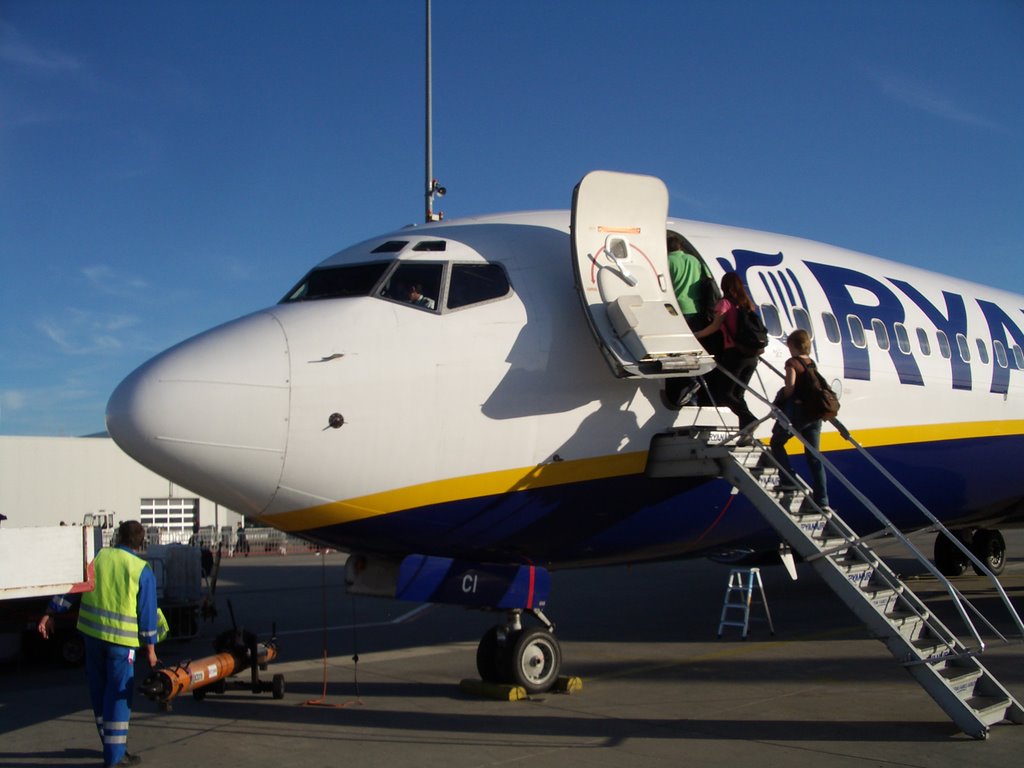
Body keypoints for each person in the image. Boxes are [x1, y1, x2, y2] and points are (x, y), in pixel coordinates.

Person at [38, 520, 163, 768]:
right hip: (121, 644)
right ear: (140, 543)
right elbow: (147, 613)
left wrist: (50, 613)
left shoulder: (97, 558)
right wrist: (151, 649)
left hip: (92, 639)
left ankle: (110, 745)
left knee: (99, 693)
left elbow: (72, 588)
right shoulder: (141, 569)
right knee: (117, 696)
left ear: (117, 537)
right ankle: (114, 757)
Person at [769, 329, 830, 509]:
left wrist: (779, 398)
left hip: (798, 414)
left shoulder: (792, 363)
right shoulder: (811, 363)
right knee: (814, 456)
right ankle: (823, 500)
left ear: (792, 345)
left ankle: (787, 479)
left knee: (777, 443)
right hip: (814, 415)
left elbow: (790, 388)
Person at [693, 272, 759, 435]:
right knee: (738, 394)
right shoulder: (747, 304)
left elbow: (715, 327)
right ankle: (746, 428)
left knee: (725, 394)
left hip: (735, 355)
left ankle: (749, 419)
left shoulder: (725, 304)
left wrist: (696, 335)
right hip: (752, 356)